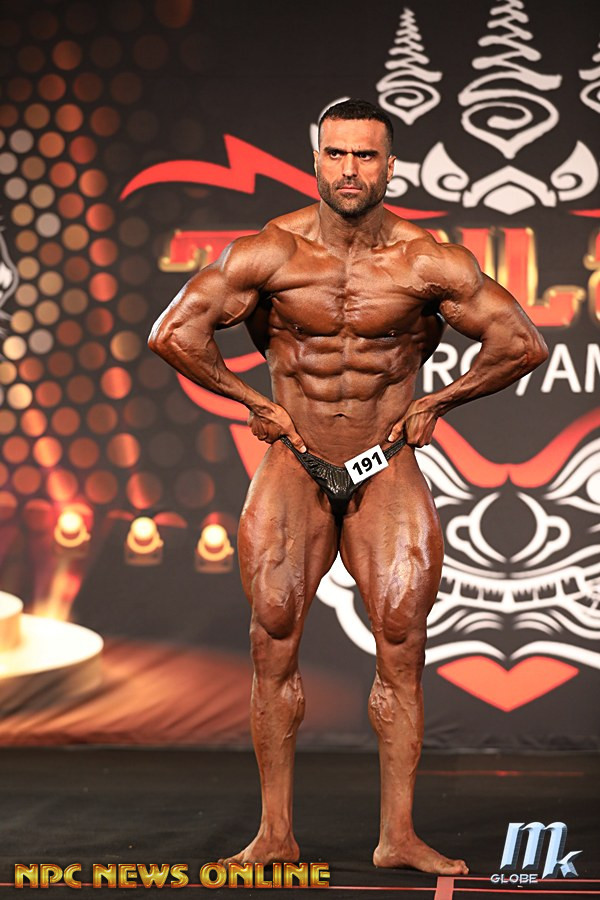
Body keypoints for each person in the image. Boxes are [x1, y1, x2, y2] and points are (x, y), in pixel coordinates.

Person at [148, 99, 548, 876]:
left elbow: (520, 342)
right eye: (337, 154)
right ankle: (274, 834)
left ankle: (398, 835)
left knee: (401, 640)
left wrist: (439, 402)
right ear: (317, 160)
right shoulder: (270, 253)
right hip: (294, 462)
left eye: (366, 155)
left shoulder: (428, 262)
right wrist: (252, 401)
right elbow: (174, 333)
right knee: (272, 635)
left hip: (384, 462)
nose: (350, 169)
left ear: (390, 166)